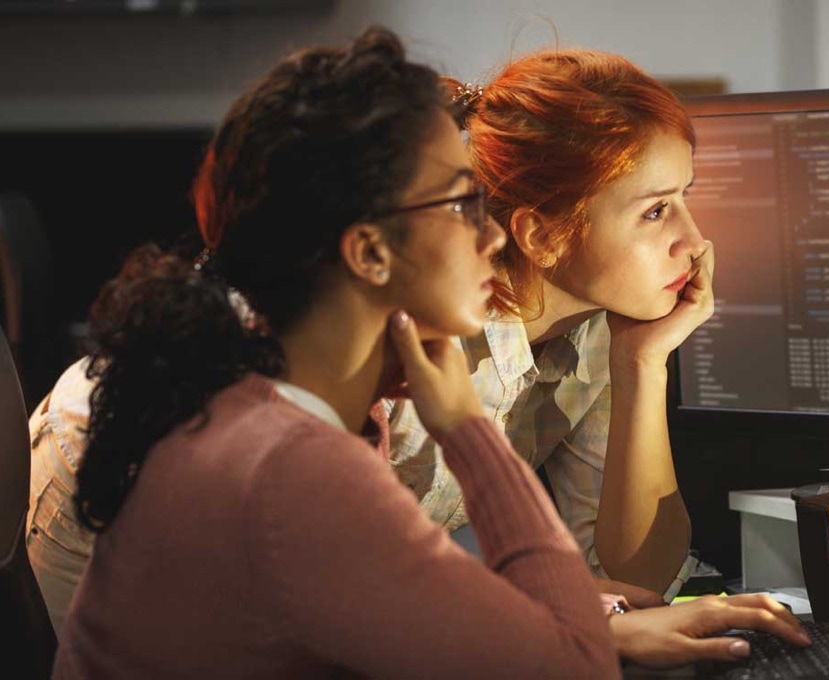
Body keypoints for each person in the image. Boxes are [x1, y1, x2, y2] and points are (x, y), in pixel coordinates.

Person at [51, 26, 622, 678]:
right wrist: (467, 430)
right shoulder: (291, 473)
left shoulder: (241, 408)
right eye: (464, 202)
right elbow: (579, 668)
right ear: (370, 252)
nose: (492, 235)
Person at [389, 46, 712, 602]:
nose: (695, 241)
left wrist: (642, 362)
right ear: (542, 237)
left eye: (685, 197)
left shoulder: (597, 330)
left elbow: (640, 580)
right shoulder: (421, 334)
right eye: (655, 211)